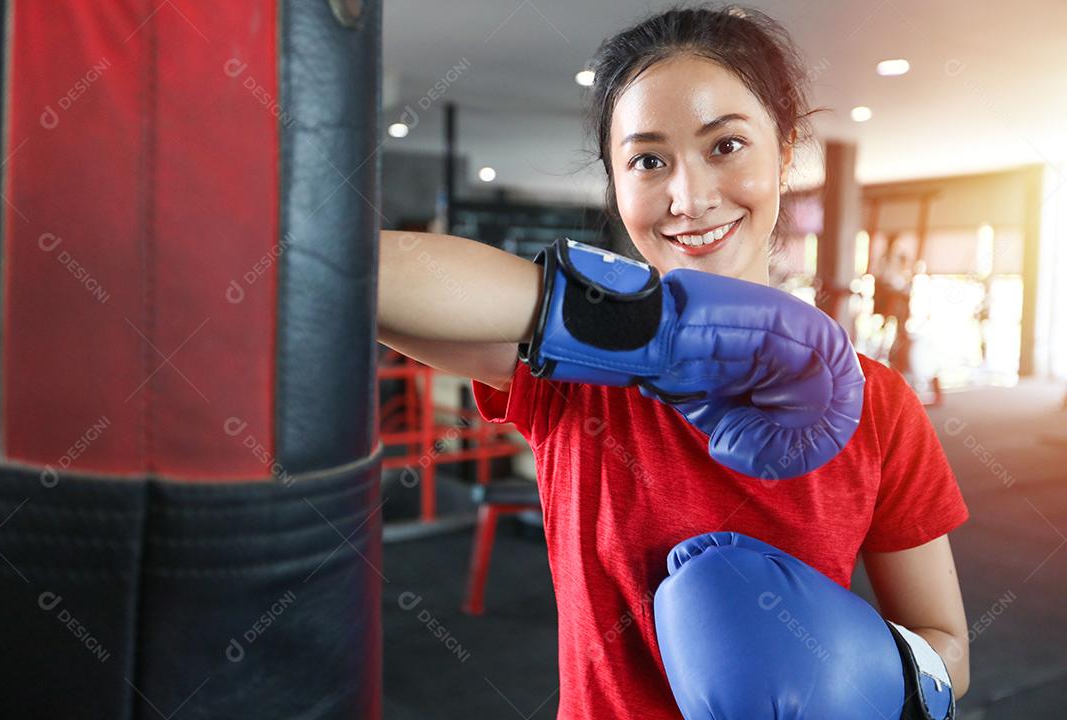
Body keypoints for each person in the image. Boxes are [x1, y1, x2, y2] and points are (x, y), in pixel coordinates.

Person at [377, 4, 970, 718]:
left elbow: (950, 649)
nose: (689, 198)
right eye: (648, 160)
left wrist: (871, 676)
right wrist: (656, 334)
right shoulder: (575, 379)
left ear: (784, 153)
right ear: (616, 184)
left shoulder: (878, 404)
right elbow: (356, 275)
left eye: (725, 147)